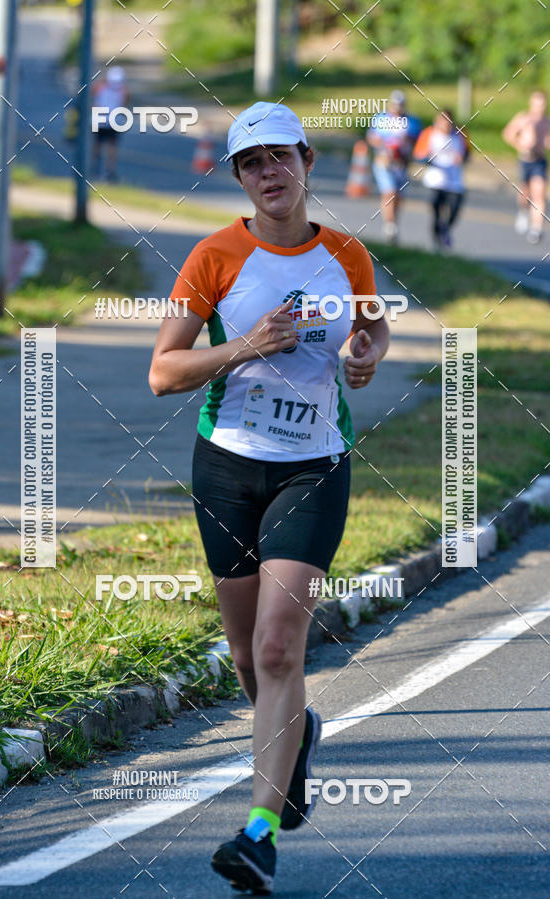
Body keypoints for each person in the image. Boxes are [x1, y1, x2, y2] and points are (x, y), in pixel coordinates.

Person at [149, 101, 390, 894]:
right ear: (240, 178)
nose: (269, 173)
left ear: (307, 161)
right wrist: (245, 345)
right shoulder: (215, 257)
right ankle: (297, 732)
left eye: (280, 156)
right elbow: (163, 372)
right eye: (252, 163)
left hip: (312, 466)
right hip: (226, 467)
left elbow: (373, 326)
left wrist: (366, 352)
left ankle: (258, 833)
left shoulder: (345, 254)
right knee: (251, 658)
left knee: (282, 646)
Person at [366, 90, 422, 243]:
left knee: (399, 195)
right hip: (384, 162)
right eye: (395, 104)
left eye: (400, 105)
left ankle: (393, 223)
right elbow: (371, 138)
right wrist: (385, 145)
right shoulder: (381, 118)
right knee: (389, 192)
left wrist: (405, 143)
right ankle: (389, 224)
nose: (397, 108)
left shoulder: (412, 122)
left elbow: (418, 142)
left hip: (402, 163)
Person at [413, 109, 468, 251]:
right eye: (443, 121)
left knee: (454, 208)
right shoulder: (429, 134)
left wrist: (462, 158)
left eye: (448, 122)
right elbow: (418, 155)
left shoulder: (460, 135)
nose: (446, 125)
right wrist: (428, 159)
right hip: (435, 180)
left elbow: (467, 154)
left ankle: (446, 230)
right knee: (436, 211)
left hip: (455, 181)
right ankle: (437, 241)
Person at [502, 90, 550, 244]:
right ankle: (523, 212)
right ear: (531, 104)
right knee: (524, 193)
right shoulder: (523, 118)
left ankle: (536, 229)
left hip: (539, 161)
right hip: (525, 160)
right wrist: (520, 145)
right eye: (537, 104)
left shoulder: (547, 122)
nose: (539, 108)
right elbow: (508, 134)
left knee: (539, 194)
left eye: (542, 104)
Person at [91, 65, 129, 182]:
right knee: (112, 146)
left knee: (97, 144)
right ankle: (110, 170)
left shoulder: (100, 87)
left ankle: (95, 167)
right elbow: (125, 102)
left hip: (99, 119)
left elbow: (93, 92)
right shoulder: (123, 91)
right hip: (114, 121)